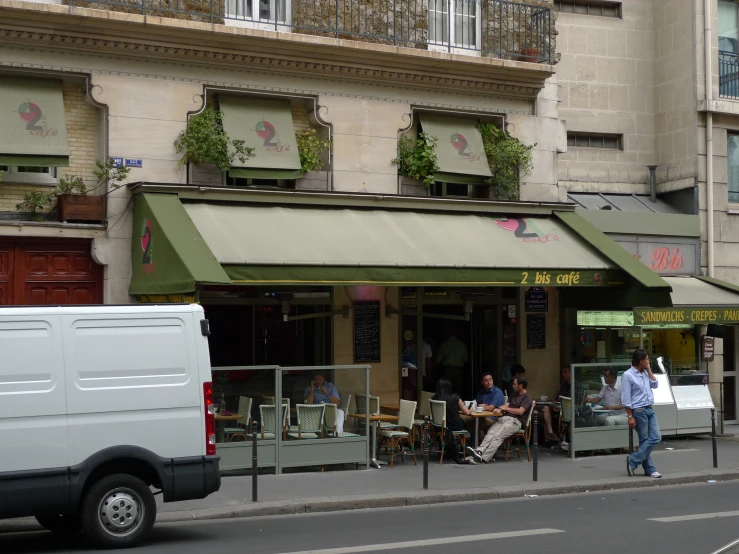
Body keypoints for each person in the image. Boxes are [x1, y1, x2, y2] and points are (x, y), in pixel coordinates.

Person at [467, 376, 533, 464]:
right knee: (491, 432)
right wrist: (500, 409)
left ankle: (484, 458)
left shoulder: (527, 397)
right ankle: (479, 451)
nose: (513, 386)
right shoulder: (513, 395)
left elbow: (520, 411)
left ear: (520, 386)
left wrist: (506, 409)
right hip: (504, 418)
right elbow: (506, 405)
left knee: (498, 436)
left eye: (515, 384)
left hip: (515, 421)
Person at [622, 349, 662, 478]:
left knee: (655, 437)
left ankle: (633, 460)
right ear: (640, 361)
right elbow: (626, 398)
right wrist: (630, 416)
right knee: (644, 439)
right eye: (647, 359)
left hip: (649, 408)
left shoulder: (645, 372)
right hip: (638, 410)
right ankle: (650, 469)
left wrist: (649, 369)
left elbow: (655, 385)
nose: (648, 361)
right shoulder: (628, 375)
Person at [432, 379, 476, 464]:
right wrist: (472, 408)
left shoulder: (435, 398)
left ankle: (462, 446)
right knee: (470, 420)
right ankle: (467, 445)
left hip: (439, 426)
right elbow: (467, 412)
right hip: (455, 426)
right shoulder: (455, 397)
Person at [539, 366, 585, 442]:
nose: (563, 374)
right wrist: (554, 404)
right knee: (544, 412)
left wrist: (561, 408)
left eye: (565, 372)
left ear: (571, 373)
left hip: (571, 413)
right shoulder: (564, 385)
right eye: (562, 372)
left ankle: (555, 438)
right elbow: (558, 398)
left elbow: (578, 404)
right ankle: (550, 437)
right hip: (561, 410)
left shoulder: (578, 386)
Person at [460, 372, 505, 437]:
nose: (489, 382)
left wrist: (482, 406)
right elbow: (475, 404)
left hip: (492, 418)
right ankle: (475, 442)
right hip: (478, 416)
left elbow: (491, 408)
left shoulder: (497, 392)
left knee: (473, 423)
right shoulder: (481, 392)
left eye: (490, 379)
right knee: (460, 417)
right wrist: (479, 405)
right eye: (486, 380)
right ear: (482, 382)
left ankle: (478, 443)